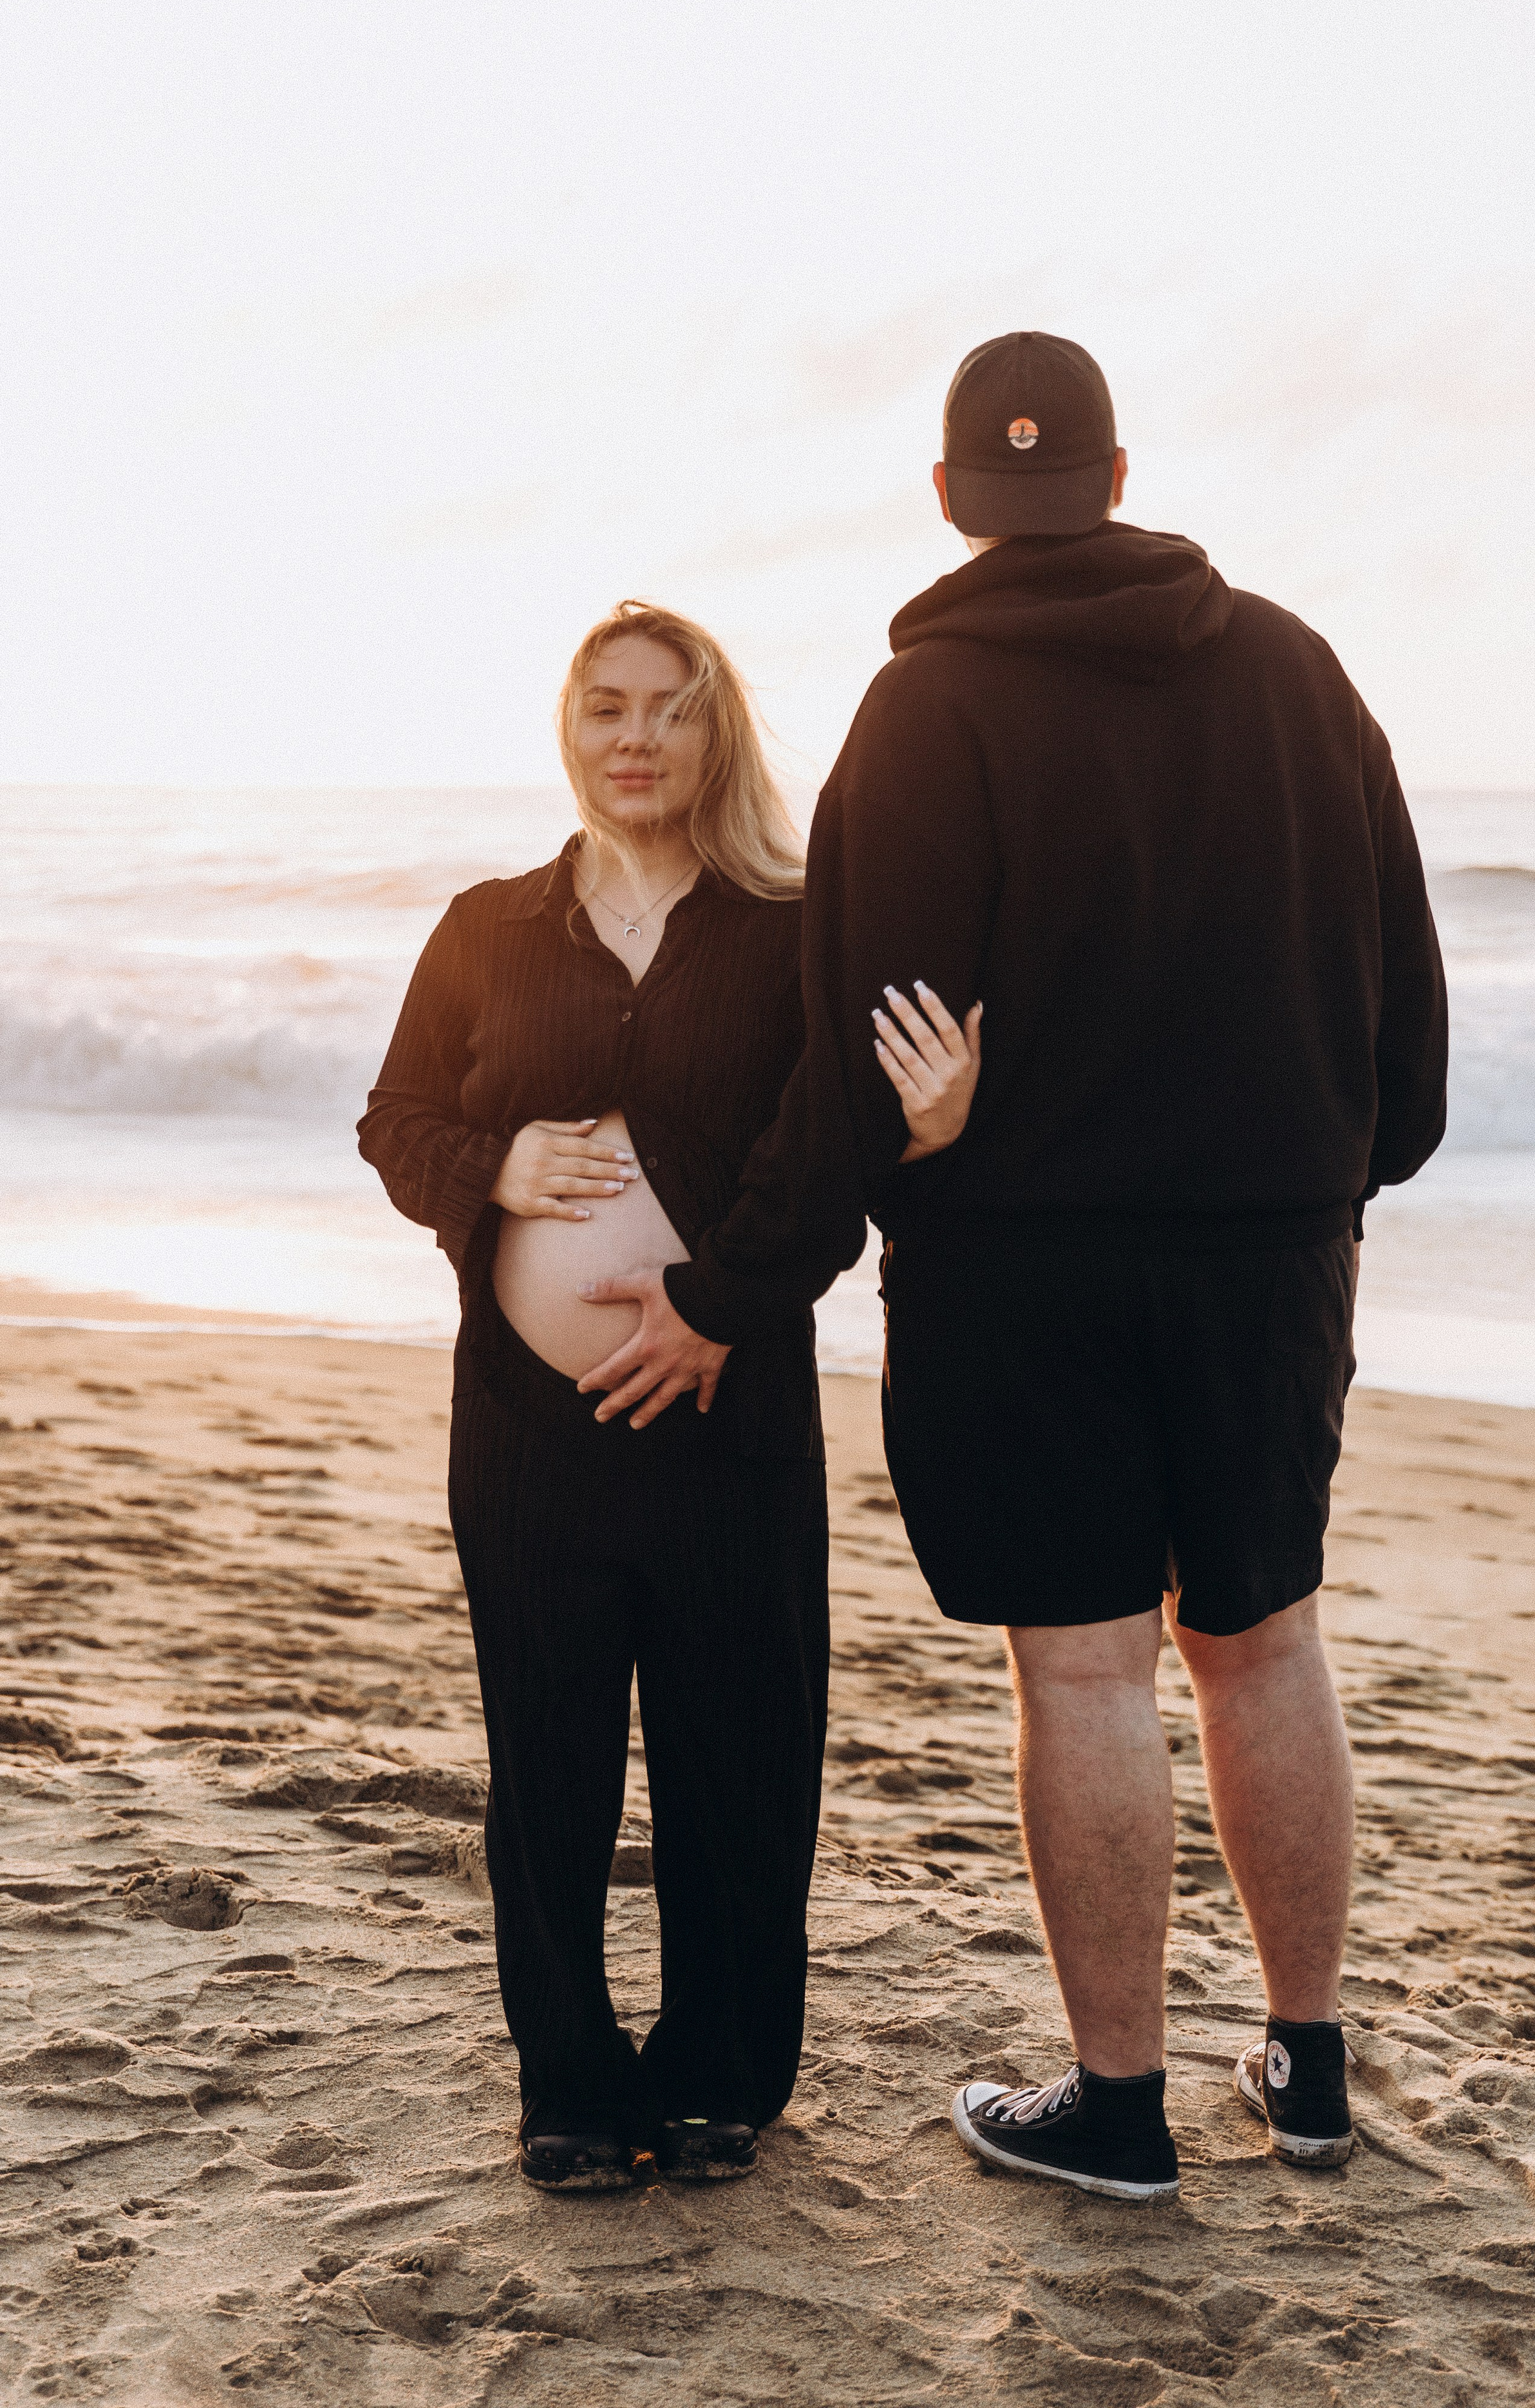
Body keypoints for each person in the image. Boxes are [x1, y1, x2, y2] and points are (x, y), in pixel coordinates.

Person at [574, 334, 1449, 2203]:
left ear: (955, 499)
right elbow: (1407, 997)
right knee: (1267, 1635)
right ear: (1121, 477)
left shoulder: (928, 709)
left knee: (1086, 1672)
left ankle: (1119, 2111)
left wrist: (730, 1292)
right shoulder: (1301, 672)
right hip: (1269, 1255)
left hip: (1027, 1272)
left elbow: (857, 1065)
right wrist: (1337, 1177)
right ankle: (1306, 2073)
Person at [358, 600, 974, 2193]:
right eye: (608, 708)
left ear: (718, 736)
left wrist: (712, 1310)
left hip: (728, 1415)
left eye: (671, 712)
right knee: (546, 1767)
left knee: (737, 1763)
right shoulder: (486, 926)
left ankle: (717, 2081)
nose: (635, 739)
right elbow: (395, 1120)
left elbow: (825, 1157)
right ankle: (567, 2086)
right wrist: (489, 1164)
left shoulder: (788, 928)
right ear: (569, 731)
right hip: (524, 1432)